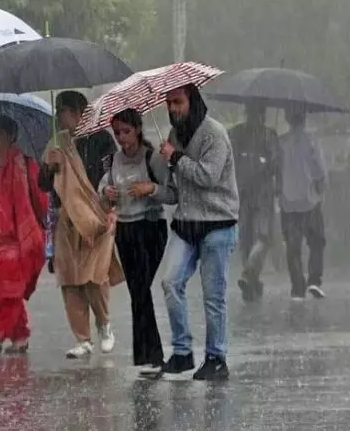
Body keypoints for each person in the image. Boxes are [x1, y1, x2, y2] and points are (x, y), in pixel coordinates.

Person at [155, 84, 239, 381]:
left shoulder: (214, 133)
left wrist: (177, 158)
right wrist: (153, 188)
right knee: (170, 282)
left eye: (178, 102)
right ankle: (182, 352)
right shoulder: (174, 136)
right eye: (168, 103)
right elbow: (176, 192)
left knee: (213, 296)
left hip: (217, 223)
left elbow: (207, 176)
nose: (173, 108)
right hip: (186, 224)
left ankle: (216, 358)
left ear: (192, 101)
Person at [42, 91, 123, 360]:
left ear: (77, 112)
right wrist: (48, 169)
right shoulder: (56, 144)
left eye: (61, 109)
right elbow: (44, 185)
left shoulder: (101, 139)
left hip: (97, 216)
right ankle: (82, 338)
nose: (58, 115)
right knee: (69, 278)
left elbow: (112, 176)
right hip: (66, 218)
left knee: (94, 275)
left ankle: (104, 325)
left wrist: (111, 208)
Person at [102, 108, 171, 375]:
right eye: (117, 132)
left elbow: (171, 193)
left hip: (151, 228)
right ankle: (145, 355)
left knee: (141, 289)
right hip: (126, 230)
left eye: (126, 132)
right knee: (137, 292)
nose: (121, 138)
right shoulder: (112, 162)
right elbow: (103, 191)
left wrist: (150, 188)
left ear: (138, 129)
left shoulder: (151, 158)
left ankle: (151, 355)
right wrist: (106, 192)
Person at [0, 116, 48, 354]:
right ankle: (20, 336)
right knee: (0, 288)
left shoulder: (26, 165)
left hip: (20, 240)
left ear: (10, 137)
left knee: (10, 287)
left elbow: (40, 200)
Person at [229, 101, 280, 303]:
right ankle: (249, 273)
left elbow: (228, 162)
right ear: (263, 115)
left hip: (241, 192)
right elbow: (276, 165)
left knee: (247, 238)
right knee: (264, 237)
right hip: (262, 194)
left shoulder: (235, 133)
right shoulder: (269, 135)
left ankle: (252, 281)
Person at [278, 107, 328, 300]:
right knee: (316, 241)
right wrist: (320, 188)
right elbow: (320, 171)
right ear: (304, 119)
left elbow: (276, 169)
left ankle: (297, 287)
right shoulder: (312, 141)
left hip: (287, 202)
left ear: (287, 118)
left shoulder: (280, 142)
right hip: (310, 201)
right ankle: (314, 280)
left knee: (293, 246)